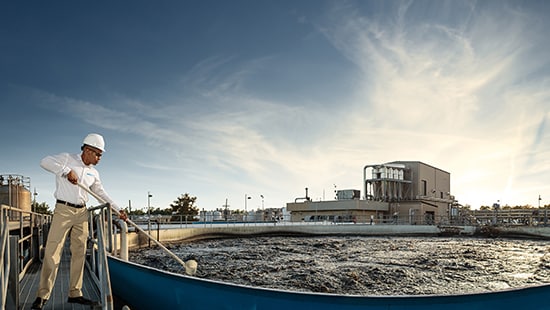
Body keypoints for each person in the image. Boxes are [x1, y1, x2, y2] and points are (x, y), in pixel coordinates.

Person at [31, 133, 127, 310]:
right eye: (98, 154)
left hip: (82, 213)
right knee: (52, 253)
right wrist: (67, 171)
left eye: (100, 155)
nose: (99, 158)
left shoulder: (94, 172)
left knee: (80, 253)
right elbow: (44, 161)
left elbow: (101, 194)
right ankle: (42, 296)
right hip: (63, 210)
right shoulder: (67, 158)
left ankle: (75, 293)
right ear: (88, 150)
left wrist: (118, 209)